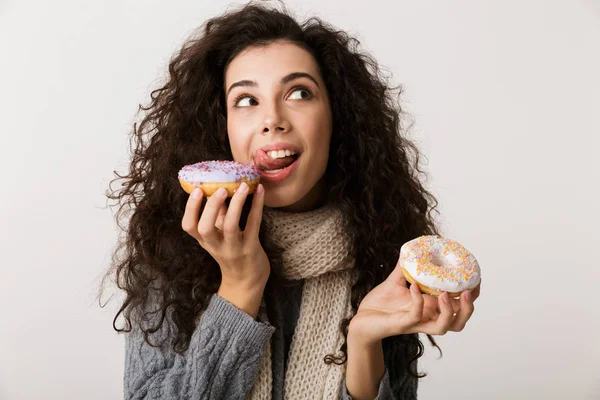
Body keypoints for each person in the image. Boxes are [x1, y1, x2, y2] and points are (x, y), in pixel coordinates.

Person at [100, 1, 481, 398]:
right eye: (246, 100)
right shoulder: (171, 251)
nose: (273, 119)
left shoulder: (384, 257)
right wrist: (240, 285)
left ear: (338, 117)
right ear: (222, 126)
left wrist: (364, 342)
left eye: (299, 92)